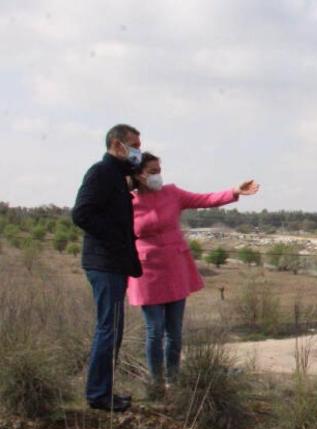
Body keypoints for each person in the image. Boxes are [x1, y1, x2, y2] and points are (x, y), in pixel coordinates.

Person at [127, 152, 259, 392]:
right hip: (146, 271)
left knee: (174, 331)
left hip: (175, 269)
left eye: (160, 170)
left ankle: (173, 380)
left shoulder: (172, 193)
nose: (158, 176)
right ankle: (155, 383)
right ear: (138, 174)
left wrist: (234, 191)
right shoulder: (126, 201)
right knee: (154, 330)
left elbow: (205, 199)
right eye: (152, 172)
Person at [72, 124, 144, 413]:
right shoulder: (100, 173)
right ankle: (99, 395)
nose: (137, 150)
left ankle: (103, 391)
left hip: (113, 263)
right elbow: (81, 213)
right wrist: (114, 237)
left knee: (112, 329)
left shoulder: (116, 175)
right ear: (117, 145)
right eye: (134, 144)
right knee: (108, 329)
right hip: (104, 263)